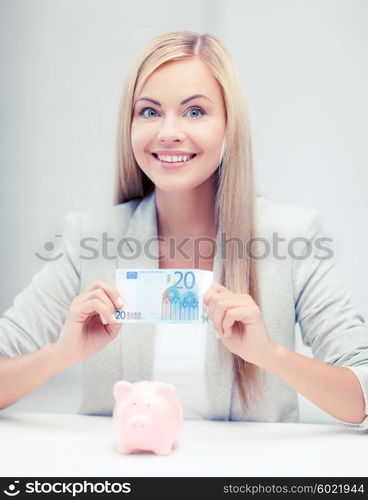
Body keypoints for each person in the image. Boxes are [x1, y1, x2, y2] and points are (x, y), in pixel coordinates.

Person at [0, 31, 367, 430]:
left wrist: (270, 354)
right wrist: (59, 355)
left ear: (230, 125)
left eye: (195, 112)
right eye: (150, 112)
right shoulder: (89, 237)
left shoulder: (292, 236)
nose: (168, 132)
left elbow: (361, 397)